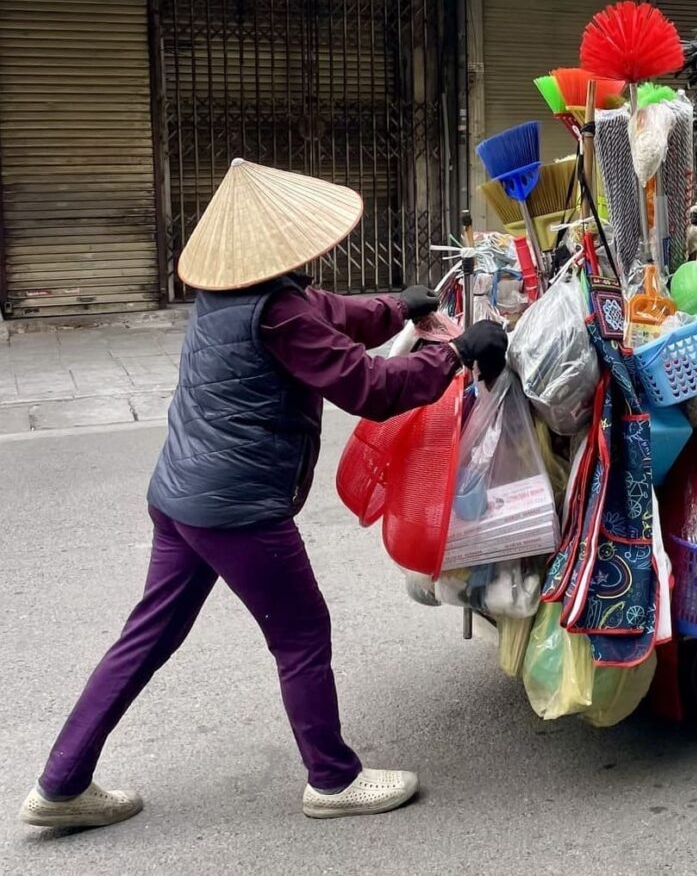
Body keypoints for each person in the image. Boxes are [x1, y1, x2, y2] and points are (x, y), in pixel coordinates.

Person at [19, 159, 508, 829]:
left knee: (147, 634)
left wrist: (399, 307)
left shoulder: (236, 295)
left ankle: (61, 782)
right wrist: (453, 355)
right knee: (303, 633)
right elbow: (368, 387)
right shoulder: (280, 310)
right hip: (236, 507)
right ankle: (333, 780)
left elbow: (333, 315)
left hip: (180, 494)